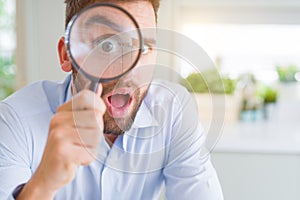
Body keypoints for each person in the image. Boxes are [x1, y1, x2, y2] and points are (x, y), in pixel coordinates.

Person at [0, 0, 223, 199]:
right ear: (67, 55)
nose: (130, 70)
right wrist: (44, 183)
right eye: (107, 45)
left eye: (143, 48)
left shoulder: (174, 110)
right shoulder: (13, 120)